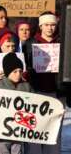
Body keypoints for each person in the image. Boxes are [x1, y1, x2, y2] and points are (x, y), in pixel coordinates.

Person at [23, 12, 61, 154]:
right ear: (40, 26)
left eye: (53, 25)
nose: (50, 28)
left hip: (57, 93)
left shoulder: (61, 42)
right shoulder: (31, 43)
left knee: (53, 133)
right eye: (46, 25)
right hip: (36, 92)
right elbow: (25, 65)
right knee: (35, 130)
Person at [0, 52, 32, 154]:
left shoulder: (26, 86)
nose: (18, 74)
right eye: (14, 71)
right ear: (7, 72)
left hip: (19, 131)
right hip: (1, 133)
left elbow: (35, 106)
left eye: (20, 71)